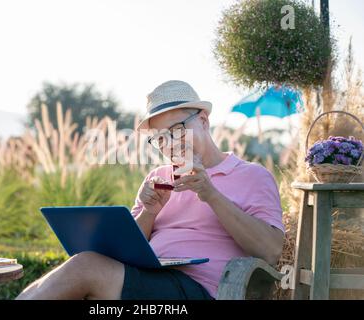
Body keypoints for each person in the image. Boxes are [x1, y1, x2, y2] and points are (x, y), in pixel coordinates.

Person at [16, 80, 285, 300]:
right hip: (149, 281)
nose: (169, 144)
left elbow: (270, 251)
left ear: (203, 120)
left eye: (177, 130)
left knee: (85, 267)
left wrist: (211, 194)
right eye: (159, 138)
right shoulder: (157, 178)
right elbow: (126, 251)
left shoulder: (252, 176)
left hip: (201, 290)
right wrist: (149, 212)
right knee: (70, 271)